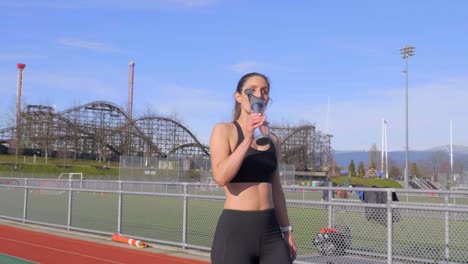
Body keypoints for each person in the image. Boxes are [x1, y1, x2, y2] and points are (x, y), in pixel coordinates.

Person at [209, 72, 297, 264]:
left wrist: (287, 230)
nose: (259, 95)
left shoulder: (273, 140)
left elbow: (277, 190)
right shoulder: (224, 130)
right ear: (239, 97)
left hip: (271, 232)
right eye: (252, 90)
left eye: (264, 91)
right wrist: (248, 138)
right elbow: (221, 177)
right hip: (236, 231)